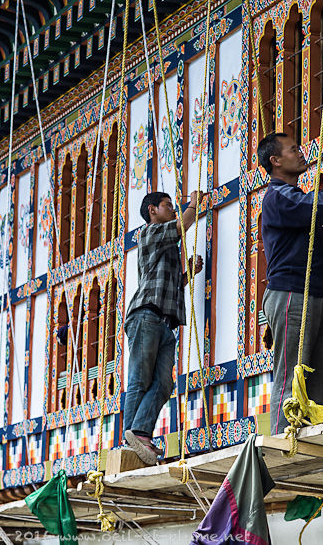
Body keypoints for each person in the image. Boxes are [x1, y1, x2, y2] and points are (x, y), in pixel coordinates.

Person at [258, 133, 323, 436]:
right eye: (293, 150)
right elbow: (318, 205)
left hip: (309, 295)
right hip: (290, 294)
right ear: (276, 161)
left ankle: (312, 437)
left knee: (320, 377)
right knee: (291, 375)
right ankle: (280, 442)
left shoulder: (290, 197)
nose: (301, 153)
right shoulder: (278, 196)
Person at [123, 189, 204, 465]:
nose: (173, 209)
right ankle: (130, 440)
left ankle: (140, 432)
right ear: (152, 211)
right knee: (140, 379)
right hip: (146, 316)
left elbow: (165, 286)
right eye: (168, 205)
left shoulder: (165, 245)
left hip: (163, 320)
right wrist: (193, 205)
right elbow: (182, 225)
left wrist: (186, 276)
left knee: (164, 382)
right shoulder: (149, 233)